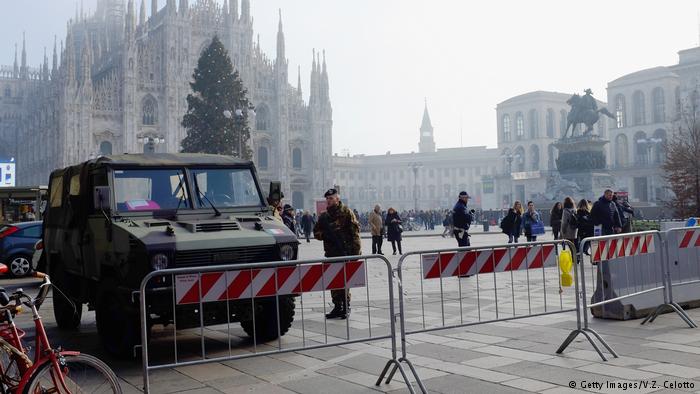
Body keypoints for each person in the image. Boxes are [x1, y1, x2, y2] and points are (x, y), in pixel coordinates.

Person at [313, 188, 361, 319]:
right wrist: (325, 235)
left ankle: (346, 306)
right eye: (327, 199)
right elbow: (316, 232)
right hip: (331, 253)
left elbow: (355, 233)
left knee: (344, 280)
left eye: (331, 198)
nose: (328, 201)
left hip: (344, 252)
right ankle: (337, 306)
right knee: (332, 281)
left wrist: (356, 253)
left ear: (337, 199)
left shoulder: (346, 212)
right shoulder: (324, 216)